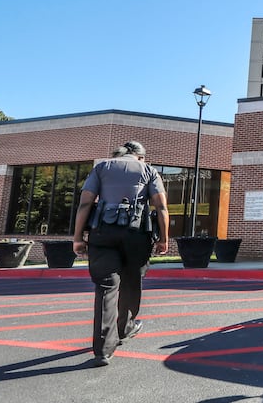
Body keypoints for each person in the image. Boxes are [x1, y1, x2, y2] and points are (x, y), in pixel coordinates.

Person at [73, 141, 169, 367]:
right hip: (136, 235)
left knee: (106, 288)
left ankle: (103, 350)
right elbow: (161, 207)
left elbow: (85, 203)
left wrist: (78, 238)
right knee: (131, 282)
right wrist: (164, 238)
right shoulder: (148, 171)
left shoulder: (101, 168)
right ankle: (125, 328)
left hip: (102, 233)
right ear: (140, 157)